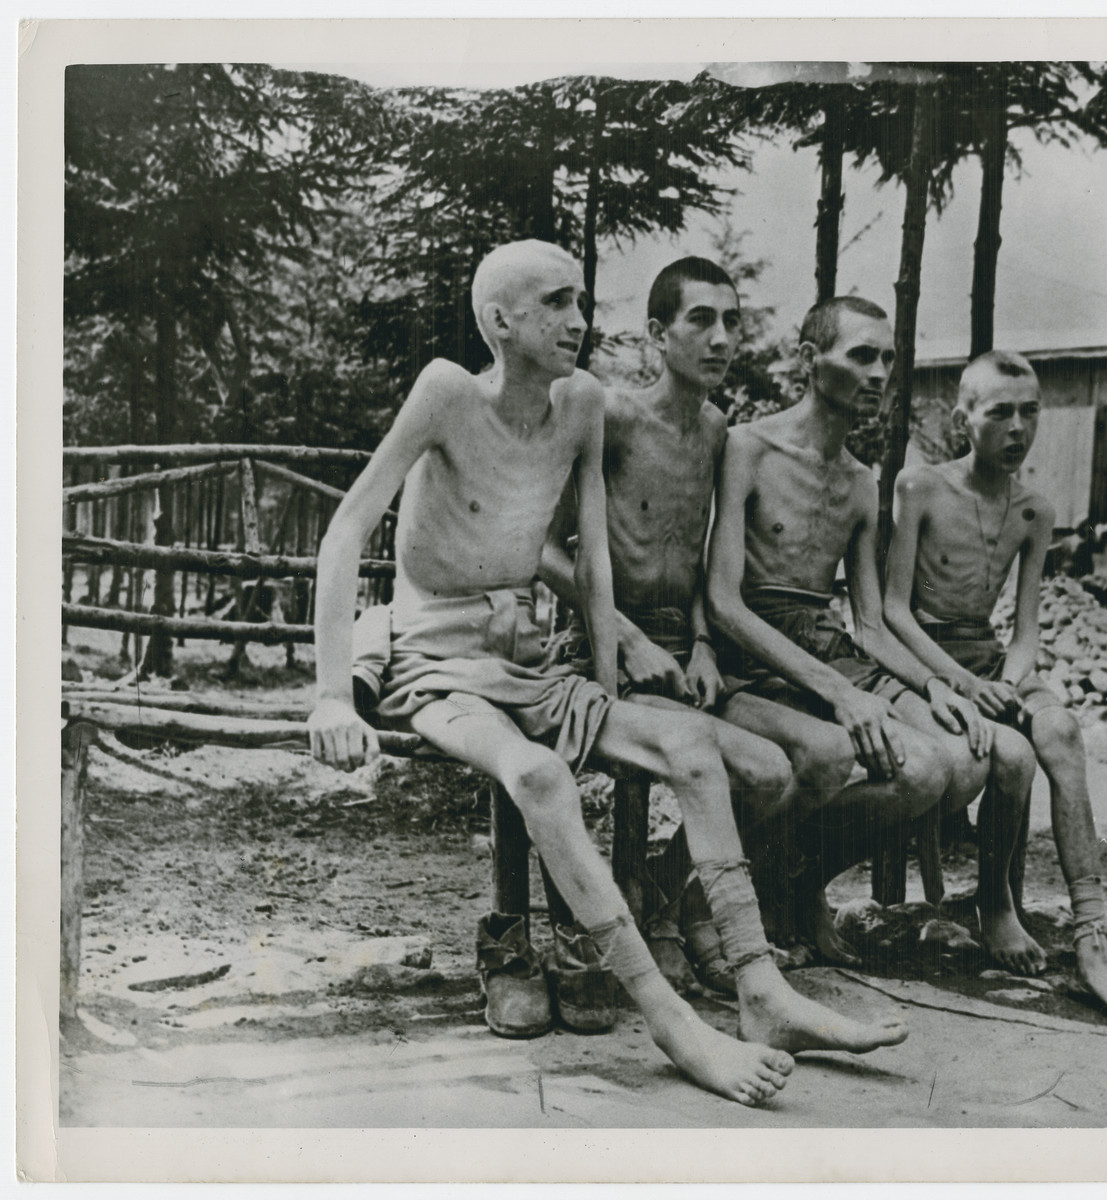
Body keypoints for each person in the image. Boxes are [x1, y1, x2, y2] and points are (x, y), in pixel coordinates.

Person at [308, 241, 907, 1108]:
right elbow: (344, 532)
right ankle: (672, 1024)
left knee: (695, 749)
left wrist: (604, 682)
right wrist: (333, 691)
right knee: (541, 773)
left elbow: (591, 567)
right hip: (433, 666)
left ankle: (760, 989)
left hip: (528, 666)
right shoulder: (446, 391)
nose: (578, 322)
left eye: (582, 301)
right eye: (555, 304)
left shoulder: (582, 403)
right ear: (499, 321)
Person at [539, 256, 851, 987]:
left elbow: (711, 559)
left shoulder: (717, 432)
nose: (720, 338)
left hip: (687, 655)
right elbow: (546, 550)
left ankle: (667, 894)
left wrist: (707, 644)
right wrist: (625, 634)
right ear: (657, 334)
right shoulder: (611, 415)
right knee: (754, 767)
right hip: (603, 648)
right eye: (699, 320)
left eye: (731, 320)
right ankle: (650, 919)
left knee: (789, 770)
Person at [706, 296, 1031, 952]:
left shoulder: (859, 481)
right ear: (808, 360)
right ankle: (768, 884)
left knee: (960, 762)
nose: (880, 371)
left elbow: (873, 623)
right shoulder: (748, 447)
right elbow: (723, 603)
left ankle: (799, 879)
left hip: (829, 648)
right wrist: (841, 694)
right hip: (754, 656)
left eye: (887, 357)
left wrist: (941, 687)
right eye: (861, 355)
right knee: (916, 769)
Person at [882, 349, 1107, 1026]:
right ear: (963, 418)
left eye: (1029, 412)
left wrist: (1009, 680)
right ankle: (994, 904)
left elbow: (1025, 627)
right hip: (923, 662)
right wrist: (958, 682)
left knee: (1060, 732)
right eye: (999, 412)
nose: (1017, 427)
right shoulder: (919, 488)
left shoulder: (1035, 509)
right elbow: (890, 610)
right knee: (1010, 753)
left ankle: (1091, 935)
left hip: (989, 660)